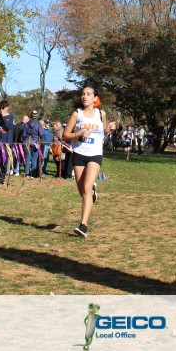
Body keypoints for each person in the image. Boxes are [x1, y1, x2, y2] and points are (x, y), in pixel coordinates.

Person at [63, 86, 117, 238]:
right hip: (79, 153)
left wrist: (109, 129)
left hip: (95, 154)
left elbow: (103, 132)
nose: (84, 96)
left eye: (88, 94)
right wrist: (78, 133)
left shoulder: (101, 114)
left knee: (86, 187)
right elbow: (65, 135)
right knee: (83, 192)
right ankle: (92, 192)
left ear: (95, 98)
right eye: (83, 94)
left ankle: (83, 226)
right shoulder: (77, 114)